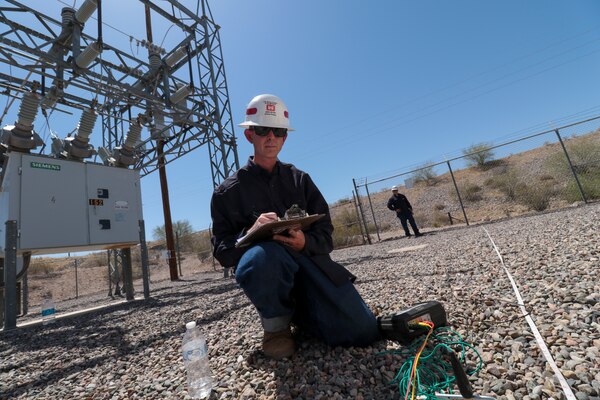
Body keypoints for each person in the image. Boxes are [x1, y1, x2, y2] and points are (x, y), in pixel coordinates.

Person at [211, 94, 380, 360]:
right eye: (262, 130)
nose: (270, 137)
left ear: (285, 137)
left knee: (363, 331)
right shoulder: (227, 193)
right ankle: (276, 327)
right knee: (262, 258)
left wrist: (305, 243)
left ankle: (303, 315)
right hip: (269, 272)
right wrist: (250, 233)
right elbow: (222, 251)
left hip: (310, 265)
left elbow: (326, 234)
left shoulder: (300, 180)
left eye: (277, 131)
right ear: (249, 136)